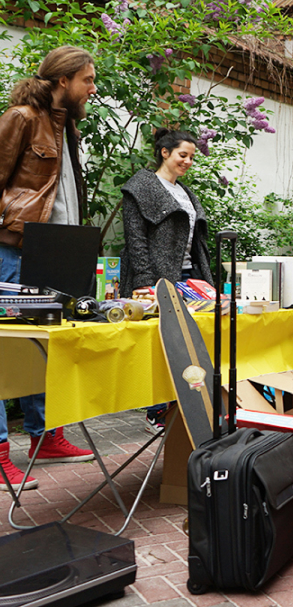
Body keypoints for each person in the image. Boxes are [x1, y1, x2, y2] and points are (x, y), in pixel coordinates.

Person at [0, 46, 98, 491]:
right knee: (6, 353)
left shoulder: (67, 128)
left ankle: (46, 436)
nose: (92, 89)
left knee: (47, 348)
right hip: (15, 250)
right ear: (63, 81)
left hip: (55, 251)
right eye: (88, 80)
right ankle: (1, 454)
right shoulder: (21, 117)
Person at [119, 129, 214, 432]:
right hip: (157, 279)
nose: (187, 161)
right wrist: (146, 282)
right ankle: (155, 413)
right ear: (164, 152)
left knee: (190, 344)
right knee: (163, 345)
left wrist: (204, 277)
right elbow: (135, 239)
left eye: (191, 157)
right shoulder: (141, 187)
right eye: (182, 155)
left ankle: (183, 409)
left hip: (189, 277)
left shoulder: (185, 192)